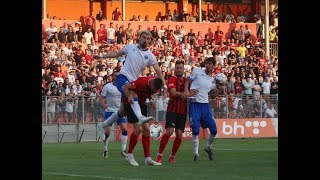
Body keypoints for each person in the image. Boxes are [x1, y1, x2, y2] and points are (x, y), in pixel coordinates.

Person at [96, 30, 166, 141]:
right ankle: (140, 117)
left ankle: (104, 124)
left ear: (150, 41)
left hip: (134, 82)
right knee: (130, 93)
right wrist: (101, 56)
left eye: (148, 39)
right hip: (123, 78)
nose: (145, 40)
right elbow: (116, 53)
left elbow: (158, 70)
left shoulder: (150, 56)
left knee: (122, 111)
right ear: (139, 37)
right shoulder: (130, 47)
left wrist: (164, 85)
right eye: (143, 37)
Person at [155, 60, 197, 164]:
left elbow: (193, 92)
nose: (179, 69)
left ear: (183, 69)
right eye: (177, 68)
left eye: (180, 68)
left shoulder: (186, 81)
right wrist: (187, 94)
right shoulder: (172, 79)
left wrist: (189, 93)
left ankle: (172, 156)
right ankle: (159, 155)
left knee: (179, 134)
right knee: (169, 132)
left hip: (182, 111)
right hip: (172, 110)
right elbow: (173, 93)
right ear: (174, 69)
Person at [186, 57, 226, 161]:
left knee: (214, 130)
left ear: (213, 66)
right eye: (206, 63)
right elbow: (187, 80)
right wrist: (187, 92)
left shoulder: (213, 80)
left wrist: (221, 89)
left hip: (205, 106)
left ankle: (208, 147)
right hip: (194, 104)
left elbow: (212, 95)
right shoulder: (197, 71)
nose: (207, 65)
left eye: (210, 64)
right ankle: (196, 154)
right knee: (195, 129)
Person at [122, 76, 164, 166]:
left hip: (142, 104)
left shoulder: (155, 87)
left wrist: (151, 101)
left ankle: (147, 158)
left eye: (155, 90)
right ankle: (129, 155)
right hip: (131, 104)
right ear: (151, 82)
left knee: (146, 131)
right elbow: (125, 87)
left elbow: (150, 93)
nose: (154, 90)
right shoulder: (141, 82)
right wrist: (129, 96)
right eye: (153, 88)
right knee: (138, 130)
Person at [99, 67, 128, 158]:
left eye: (118, 75)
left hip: (120, 111)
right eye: (115, 75)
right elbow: (101, 98)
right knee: (108, 130)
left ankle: (123, 150)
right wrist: (104, 105)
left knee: (125, 129)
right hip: (110, 111)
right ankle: (105, 149)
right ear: (112, 76)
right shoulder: (107, 86)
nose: (117, 77)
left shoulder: (123, 86)